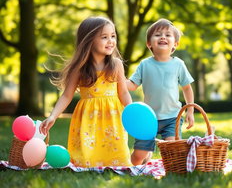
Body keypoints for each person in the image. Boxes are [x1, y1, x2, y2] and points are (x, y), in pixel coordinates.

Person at [40, 16, 132, 167]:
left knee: (114, 148)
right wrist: (53, 116)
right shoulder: (80, 68)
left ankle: (113, 162)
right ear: (89, 40)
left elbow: (123, 93)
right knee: (86, 154)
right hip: (88, 117)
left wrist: (131, 111)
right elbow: (67, 95)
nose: (111, 41)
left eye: (113, 36)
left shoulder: (116, 65)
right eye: (104, 37)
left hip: (113, 116)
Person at [126, 18, 195, 165]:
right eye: (158, 34)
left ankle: (173, 171)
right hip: (148, 118)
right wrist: (117, 78)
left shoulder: (178, 64)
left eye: (168, 35)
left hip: (172, 117)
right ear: (149, 43)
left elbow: (187, 88)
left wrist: (190, 111)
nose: (163, 37)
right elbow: (131, 85)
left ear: (175, 44)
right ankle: (132, 167)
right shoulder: (145, 64)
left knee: (172, 150)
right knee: (138, 156)